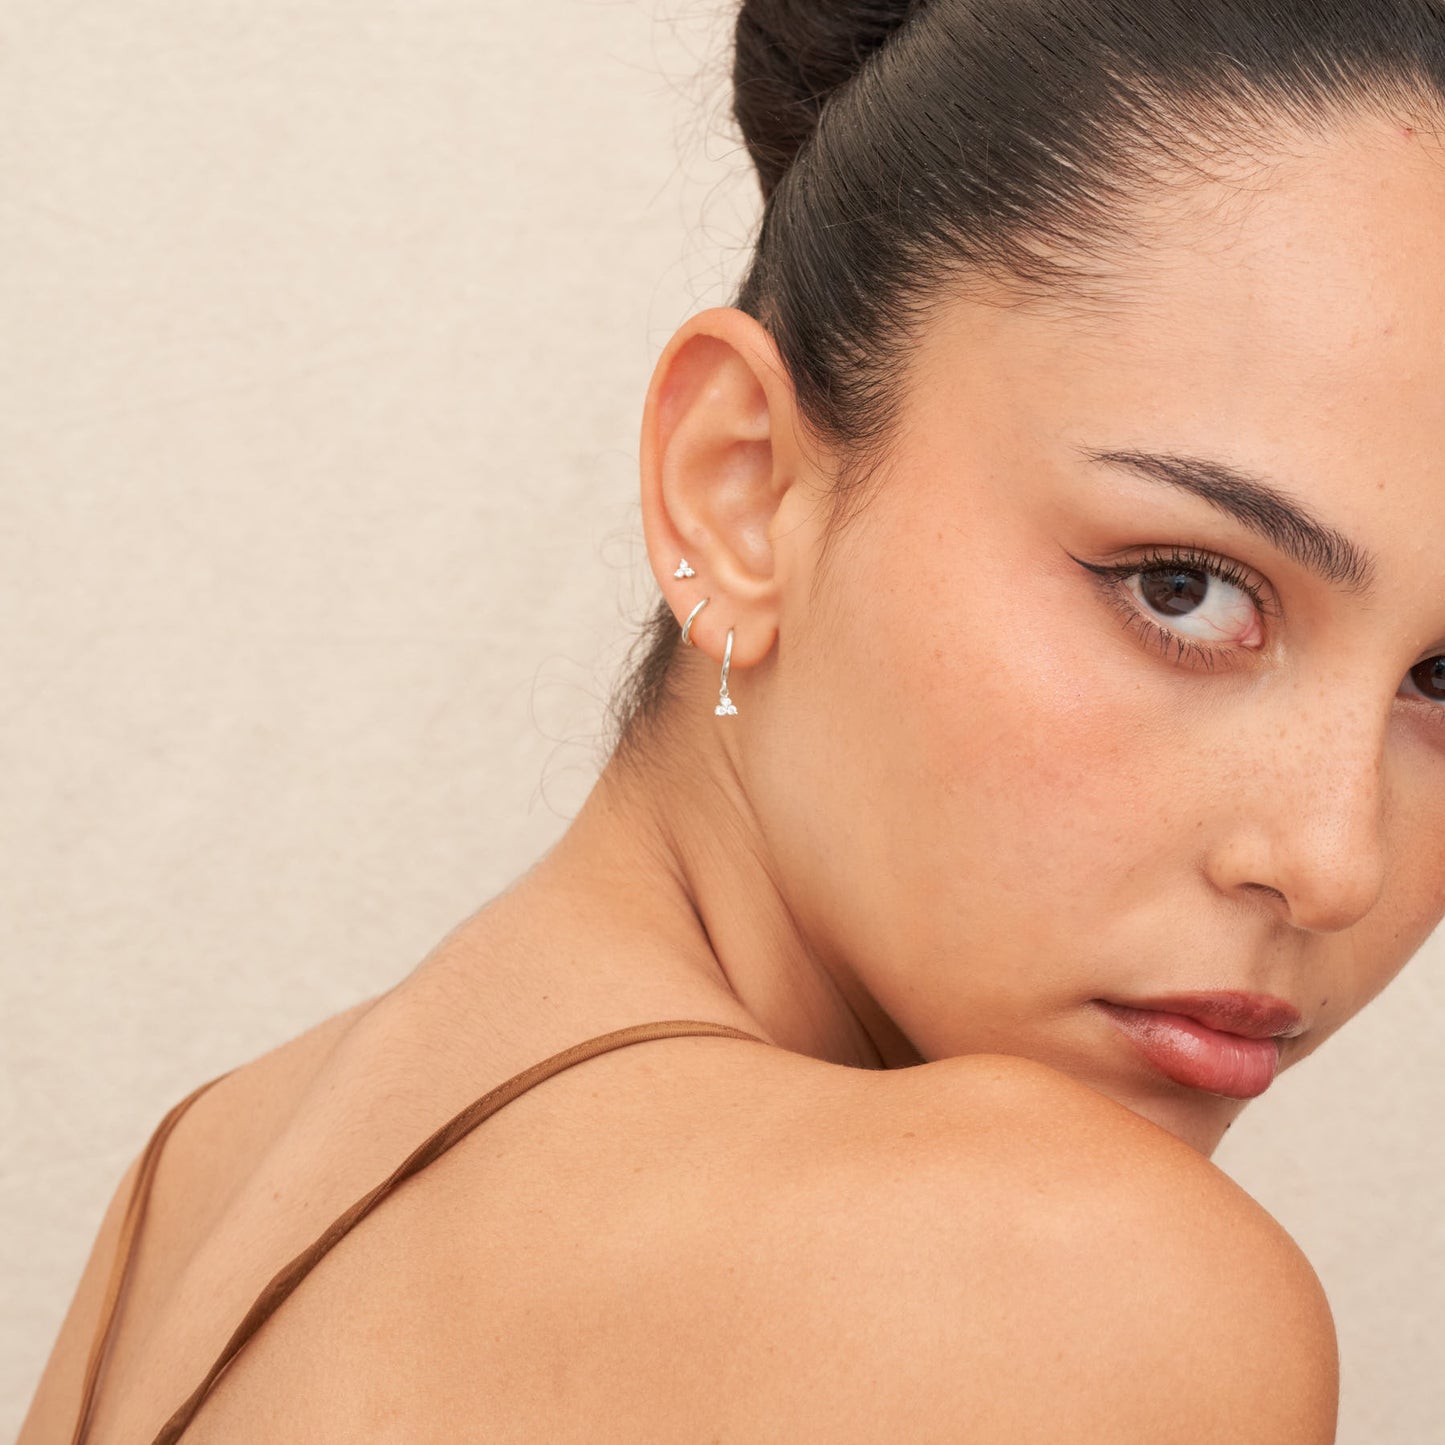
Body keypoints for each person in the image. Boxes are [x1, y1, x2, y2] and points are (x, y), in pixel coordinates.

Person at [20, 0, 1445, 1439]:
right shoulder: (1072, 1275)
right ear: (740, 489)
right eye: (1184, 589)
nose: (1337, 863)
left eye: (1442, 684)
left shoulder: (194, 1185)